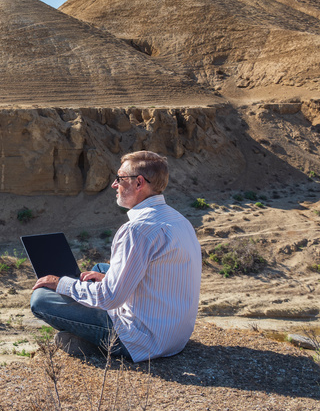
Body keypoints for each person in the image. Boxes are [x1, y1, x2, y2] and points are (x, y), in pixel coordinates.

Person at [30, 150, 201, 362]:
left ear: (139, 183)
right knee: (101, 270)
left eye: (120, 178)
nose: (114, 184)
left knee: (41, 299)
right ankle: (86, 336)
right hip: (174, 336)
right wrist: (105, 281)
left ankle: (94, 343)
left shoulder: (137, 231)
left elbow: (109, 298)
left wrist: (61, 284)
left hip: (143, 341)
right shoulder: (179, 220)